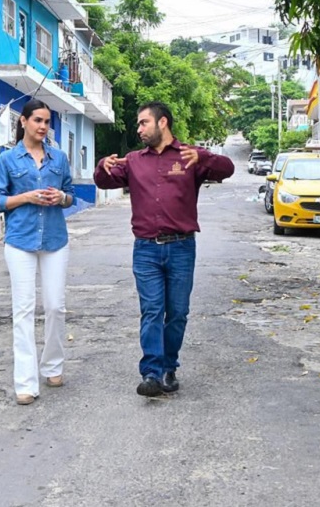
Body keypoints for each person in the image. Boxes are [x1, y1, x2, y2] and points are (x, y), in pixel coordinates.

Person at [94, 101, 234, 397]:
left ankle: (170, 366)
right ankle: (152, 373)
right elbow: (103, 181)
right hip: (145, 249)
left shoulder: (189, 156)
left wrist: (204, 156)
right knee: (152, 310)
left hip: (182, 248)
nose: (139, 129)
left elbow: (228, 169)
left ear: (163, 123)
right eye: (138, 123)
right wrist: (102, 166)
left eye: (143, 122)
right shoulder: (134, 160)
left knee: (178, 312)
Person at [0, 99, 75, 405]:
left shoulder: (59, 158)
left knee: (55, 307)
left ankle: (53, 365)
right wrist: (26, 196)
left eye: (47, 121)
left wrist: (60, 197)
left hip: (54, 239)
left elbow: (70, 197)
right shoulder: (8, 160)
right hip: (20, 241)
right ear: (23, 121)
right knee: (23, 310)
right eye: (37, 120)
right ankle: (25, 382)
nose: (43, 126)